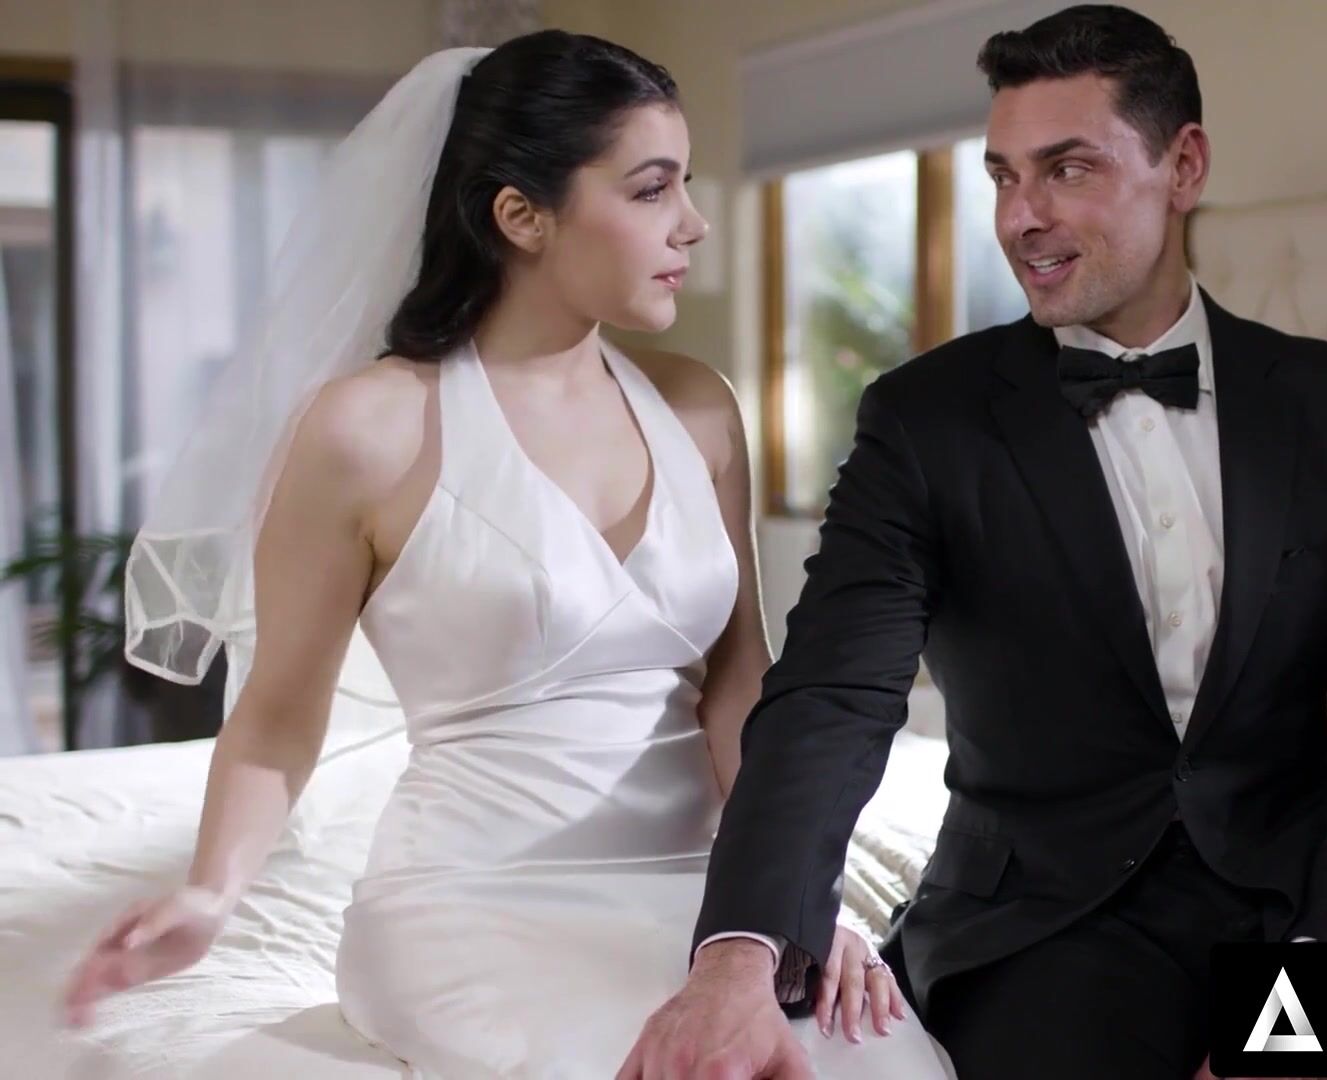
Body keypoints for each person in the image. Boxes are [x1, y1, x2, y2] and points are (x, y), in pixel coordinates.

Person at [60, 30, 949, 1080]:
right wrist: (211, 892)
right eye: (652, 189)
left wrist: (786, 907)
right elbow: (278, 714)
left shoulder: (699, 407)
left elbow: (737, 683)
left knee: (881, 1062)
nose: (693, 222)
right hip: (474, 901)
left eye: (686, 184)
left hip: (707, 898)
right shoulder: (369, 429)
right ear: (522, 216)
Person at [630, 5, 1327, 1079]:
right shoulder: (924, 419)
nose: (1019, 218)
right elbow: (832, 701)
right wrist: (740, 953)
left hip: (1313, 903)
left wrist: (1307, 1004)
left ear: (1184, 166)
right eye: (1003, 176)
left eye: (1067, 170)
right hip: (1044, 929)